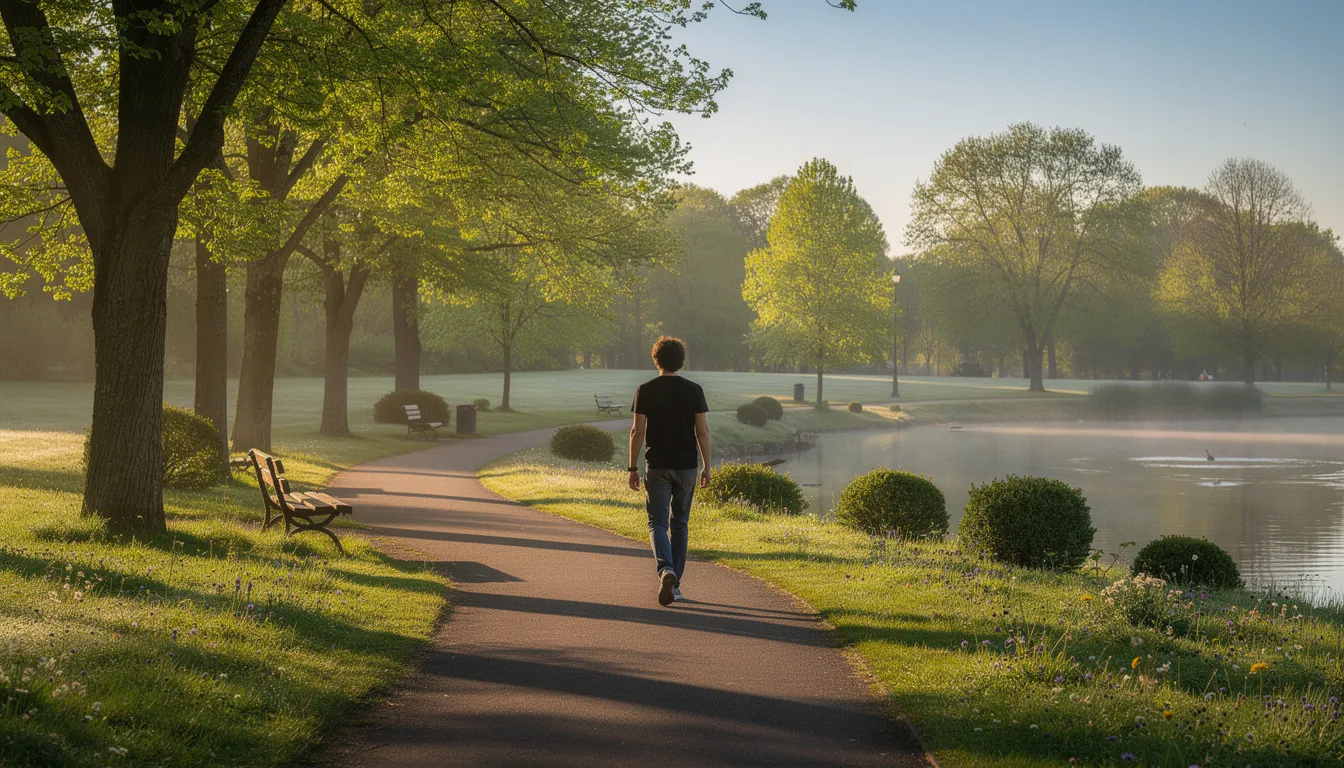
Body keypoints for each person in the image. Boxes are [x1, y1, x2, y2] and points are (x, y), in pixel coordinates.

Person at [627, 336, 711, 606]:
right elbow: (703, 431)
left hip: (658, 465)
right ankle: (675, 587)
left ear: (656, 359)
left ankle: (666, 571)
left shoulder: (645, 389)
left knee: (657, 523)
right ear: (681, 360)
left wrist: (632, 468)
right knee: (681, 524)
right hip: (687, 466)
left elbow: (637, 431)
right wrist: (708, 466)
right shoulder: (694, 390)